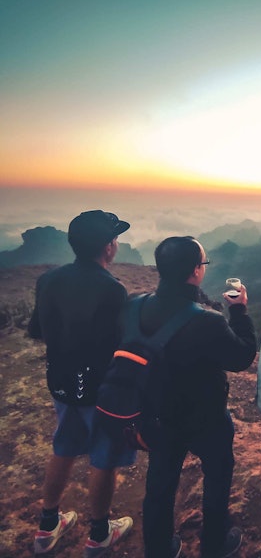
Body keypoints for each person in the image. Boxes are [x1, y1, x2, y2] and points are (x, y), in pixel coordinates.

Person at [139, 236, 257, 558]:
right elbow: (242, 357)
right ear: (195, 271)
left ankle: (158, 548)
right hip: (207, 419)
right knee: (217, 477)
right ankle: (214, 544)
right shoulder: (209, 321)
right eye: (203, 263)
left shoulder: (137, 306)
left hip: (158, 414)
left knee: (160, 484)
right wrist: (239, 311)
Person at [27, 210, 135, 556]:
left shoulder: (48, 280)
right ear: (107, 247)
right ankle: (100, 534)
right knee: (103, 456)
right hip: (97, 389)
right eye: (115, 238)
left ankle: (47, 526)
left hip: (61, 382)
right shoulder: (112, 289)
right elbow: (120, 343)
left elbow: (37, 330)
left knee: (64, 446)